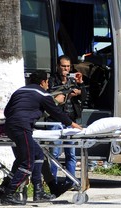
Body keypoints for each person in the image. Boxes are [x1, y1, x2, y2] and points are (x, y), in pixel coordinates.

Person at [0, 71, 82, 205]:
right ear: (43, 82)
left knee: (38, 154)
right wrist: (73, 125)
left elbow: (6, 111)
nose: (48, 84)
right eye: (47, 82)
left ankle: (39, 191)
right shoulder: (43, 94)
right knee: (27, 162)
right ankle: (8, 194)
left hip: (10, 126)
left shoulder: (19, 91)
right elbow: (56, 113)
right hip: (22, 127)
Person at [48, 55, 86, 189]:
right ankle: (51, 181)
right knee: (55, 153)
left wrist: (80, 86)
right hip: (56, 121)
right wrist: (66, 90)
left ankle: (71, 181)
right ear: (58, 66)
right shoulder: (52, 80)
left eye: (68, 66)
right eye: (63, 66)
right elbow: (50, 94)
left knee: (71, 153)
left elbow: (85, 95)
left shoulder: (73, 80)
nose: (66, 69)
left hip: (71, 120)